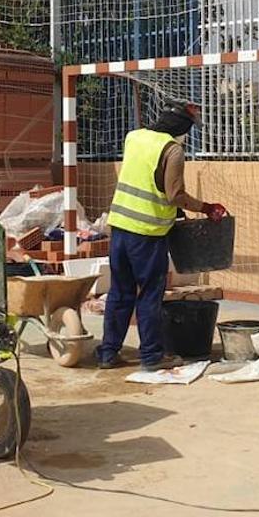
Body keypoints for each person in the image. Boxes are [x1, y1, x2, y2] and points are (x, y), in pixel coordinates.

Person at [96, 101, 228, 371]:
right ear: (181, 129)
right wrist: (206, 207)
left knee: (120, 293)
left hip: (119, 227)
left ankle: (108, 353)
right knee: (149, 295)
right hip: (148, 234)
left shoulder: (134, 137)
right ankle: (152, 356)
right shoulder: (173, 151)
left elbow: (146, 178)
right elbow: (174, 195)